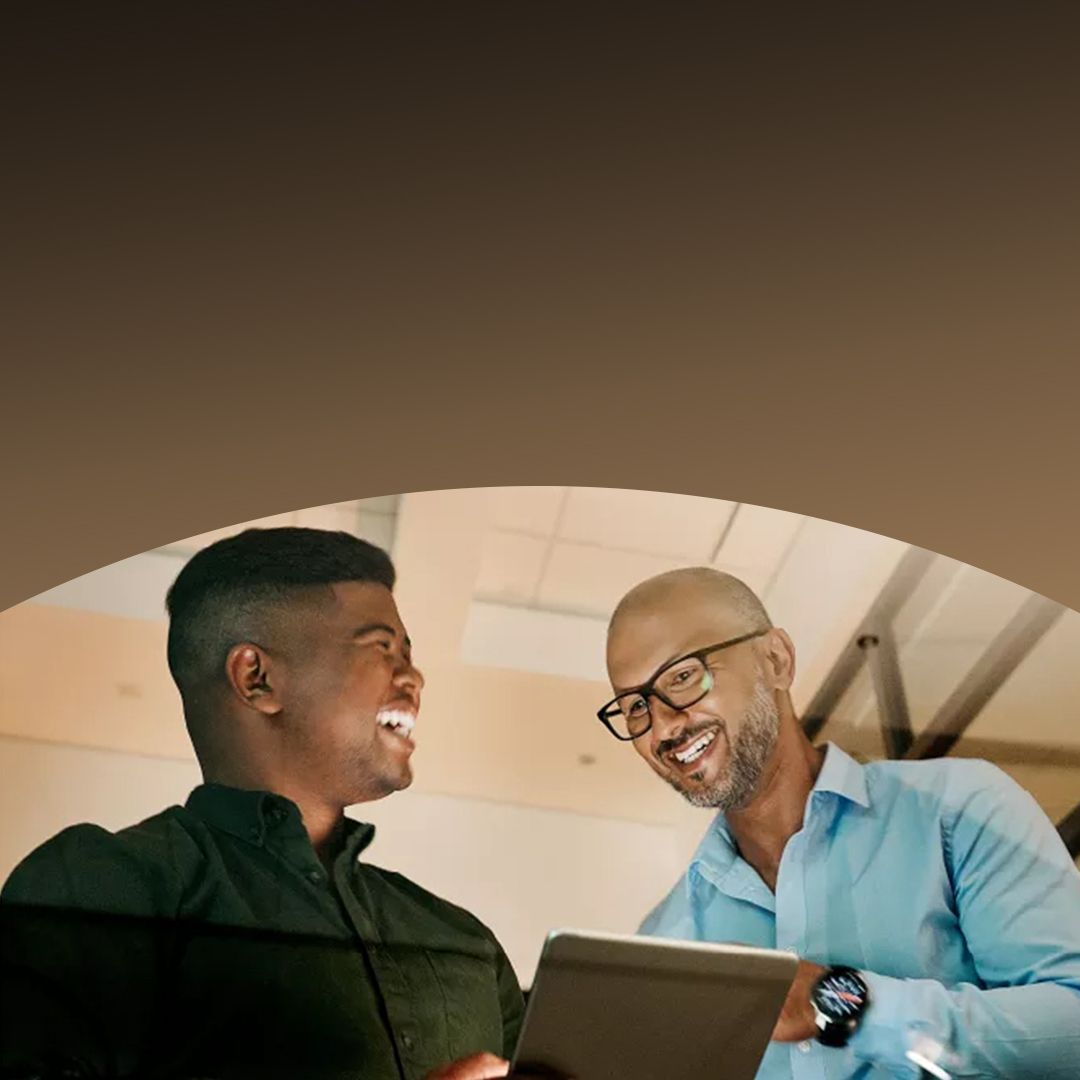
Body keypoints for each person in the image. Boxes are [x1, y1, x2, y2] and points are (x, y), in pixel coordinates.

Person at [1, 528, 531, 1080]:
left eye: (408, 653)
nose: (413, 676)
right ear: (257, 678)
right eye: (381, 647)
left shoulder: (465, 941)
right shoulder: (102, 886)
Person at [599, 566, 1080, 1079]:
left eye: (683, 676)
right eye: (634, 707)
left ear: (776, 660)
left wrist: (842, 1003)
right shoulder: (664, 946)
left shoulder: (959, 808)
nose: (664, 724)